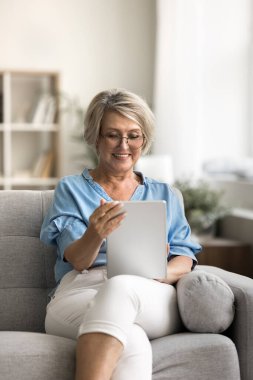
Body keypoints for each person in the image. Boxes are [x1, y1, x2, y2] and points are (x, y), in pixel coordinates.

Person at [40, 88, 201, 380]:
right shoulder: (71, 189)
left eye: (133, 135)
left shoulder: (167, 194)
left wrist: (162, 273)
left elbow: (185, 256)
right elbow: (77, 260)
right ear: (96, 138)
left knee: (121, 288)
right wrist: (95, 233)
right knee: (133, 340)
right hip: (80, 291)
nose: (124, 145)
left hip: (148, 292)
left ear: (144, 139)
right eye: (113, 134)